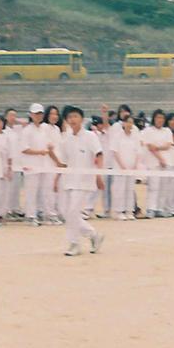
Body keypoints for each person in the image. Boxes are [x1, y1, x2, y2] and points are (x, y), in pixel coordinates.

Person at [55, 106, 105, 256]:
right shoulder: (66, 139)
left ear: (82, 119)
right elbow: (63, 162)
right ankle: (94, 235)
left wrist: (99, 175)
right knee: (66, 212)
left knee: (72, 211)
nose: (72, 120)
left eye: (75, 116)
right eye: (70, 117)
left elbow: (99, 155)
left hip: (84, 182)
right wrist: (56, 178)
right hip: (68, 180)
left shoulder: (90, 136)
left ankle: (74, 244)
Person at [19, 103, 56, 226]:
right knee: (31, 191)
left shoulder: (44, 128)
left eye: (40, 113)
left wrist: (49, 146)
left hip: (43, 165)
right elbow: (24, 149)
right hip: (31, 166)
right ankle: (30, 216)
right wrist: (40, 152)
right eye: (36, 114)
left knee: (44, 190)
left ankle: (45, 214)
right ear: (31, 115)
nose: (38, 116)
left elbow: (48, 144)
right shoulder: (26, 131)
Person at [110, 112, 142, 220]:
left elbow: (138, 151)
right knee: (120, 189)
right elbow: (115, 151)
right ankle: (119, 211)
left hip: (131, 167)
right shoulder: (118, 135)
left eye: (131, 122)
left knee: (130, 189)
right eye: (127, 122)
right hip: (120, 167)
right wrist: (122, 165)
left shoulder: (135, 136)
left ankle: (129, 211)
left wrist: (135, 165)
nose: (129, 124)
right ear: (123, 123)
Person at [140, 110, 170, 218]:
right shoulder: (148, 131)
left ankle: (159, 208)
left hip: (165, 163)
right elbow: (150, 147)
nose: (160, 120)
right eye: (158, 117)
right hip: (153, 162)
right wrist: (160, 158)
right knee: (153, 186)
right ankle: (151, 208)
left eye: (162, 118)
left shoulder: (167, 131)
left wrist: (158, 148)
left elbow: (168, 145)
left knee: (163, 186)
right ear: (154, 118)